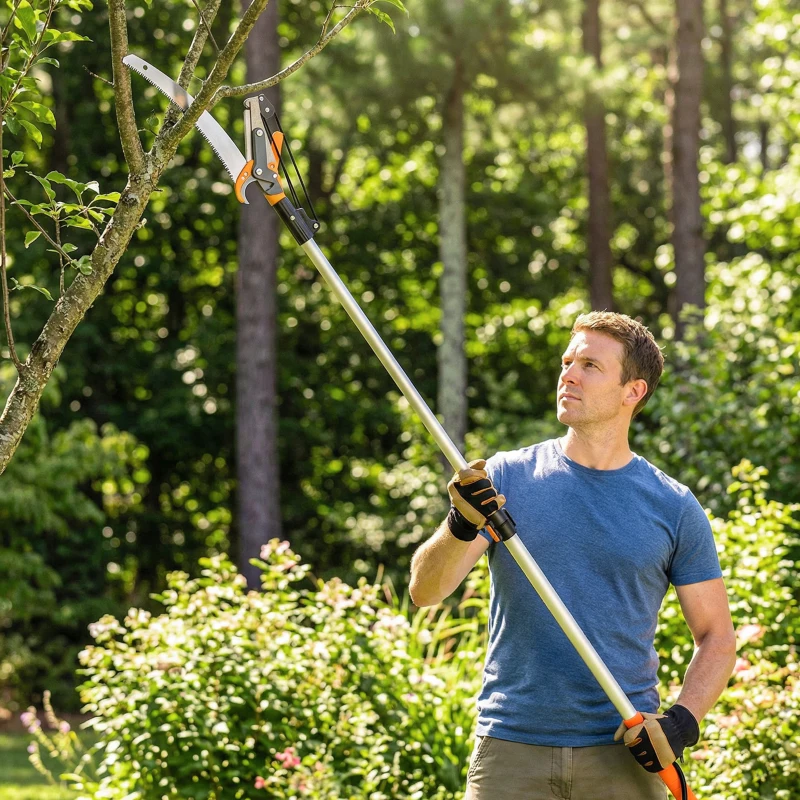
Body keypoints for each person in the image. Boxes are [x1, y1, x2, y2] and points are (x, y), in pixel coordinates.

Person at [409, 311, 737, 800]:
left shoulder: (673, 506)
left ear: (633, 391)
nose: (569, 374)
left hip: (622, 752)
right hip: (511, 748)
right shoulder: (504, 479)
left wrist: (680, 724)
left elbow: (717, 637)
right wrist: (460, 524)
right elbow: (424, 591)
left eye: (590, 365)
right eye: (567, 362)